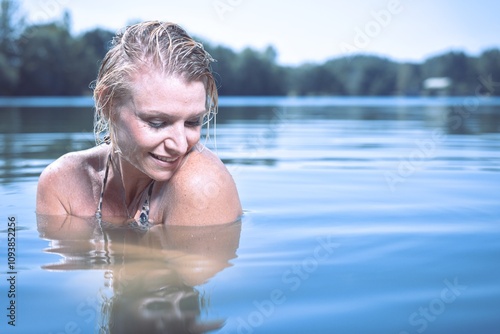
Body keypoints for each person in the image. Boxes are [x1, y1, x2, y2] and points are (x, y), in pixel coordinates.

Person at [36, 21, 242, 226]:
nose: (180, 145)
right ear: (108, 103)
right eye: (158, 122)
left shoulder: (200, 187)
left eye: (192, 122)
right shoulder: (62, 183)